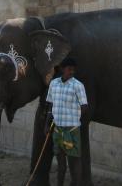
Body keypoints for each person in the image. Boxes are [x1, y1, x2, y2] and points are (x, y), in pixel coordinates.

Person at [45, 57, 89, 186]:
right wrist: (47, 124)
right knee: (61, 163)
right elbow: (50, 105)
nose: (72, 72)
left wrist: (74, 117)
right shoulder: (54, 84)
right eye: (69, 69)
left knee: (74, 162)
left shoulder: (78, 85)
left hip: (72, 130)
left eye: (73, 69)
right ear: (62, 69)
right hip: (57, 130)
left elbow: (84, 106)